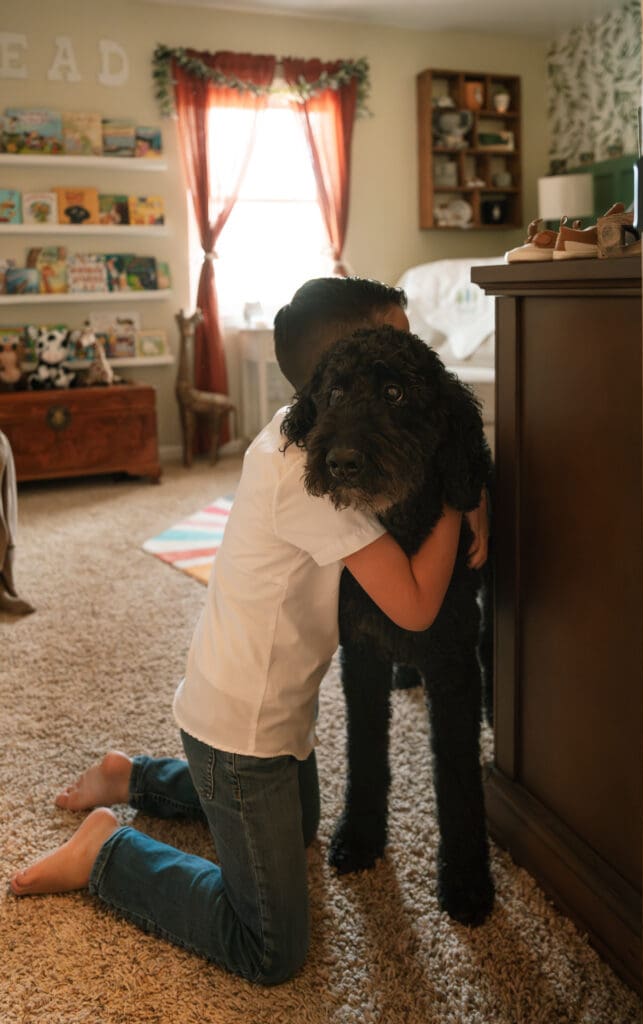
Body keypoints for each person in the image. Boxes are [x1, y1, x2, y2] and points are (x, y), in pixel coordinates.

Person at [9, 277, 488, 985]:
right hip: (242, 733)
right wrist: (459, 495)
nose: (415, 359)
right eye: (394, 350)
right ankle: (106, 852)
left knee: (300, 829)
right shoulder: (316, 484)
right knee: (268, 948)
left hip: (270, 718)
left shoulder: (297, 427)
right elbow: (415, 607)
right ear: (337, 376)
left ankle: (133, 775)